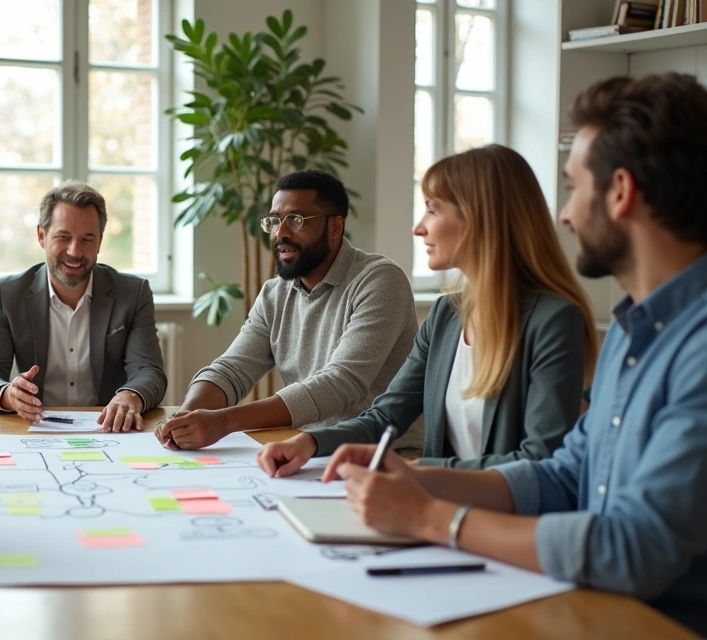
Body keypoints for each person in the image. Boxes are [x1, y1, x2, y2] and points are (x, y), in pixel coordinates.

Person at [280, 73, 707, 635]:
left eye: (575, 188)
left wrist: (430, 516)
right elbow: (564, 473)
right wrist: (418, 479)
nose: (566, 214)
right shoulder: (631, 330)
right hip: (581, 596)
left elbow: (631, 546)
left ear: (621, 191)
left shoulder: (692, 347)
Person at [258, 146, 598, 471]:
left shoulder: (553, 321)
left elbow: (539, 460)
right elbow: (384, 418)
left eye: (432, 210)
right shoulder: (446, 315)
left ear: (481, 219)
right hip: (436, 511)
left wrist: (425, 472)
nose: (418, 227)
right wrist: (310, 442)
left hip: (500, 522)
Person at [155, 170, 419, 451]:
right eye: (275, 221)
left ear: (335, 227)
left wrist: (224, 422)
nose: (280, 233)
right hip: (307, 451)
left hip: (388, 455)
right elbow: (232, 369)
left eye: (296, 220)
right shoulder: (274, 293)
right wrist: (188, 415)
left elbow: (342, 383)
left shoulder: (380, 280)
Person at [0, 180, 167, 432]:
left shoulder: (133, 293)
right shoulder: (9, 294)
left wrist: (129, 396)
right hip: (35, 429)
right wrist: (9, 395)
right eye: (63, 236)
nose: (75, 251)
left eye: (87, 239)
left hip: (107, 429)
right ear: (41, 235)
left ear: (100, 241)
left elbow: (149, 371)